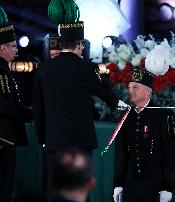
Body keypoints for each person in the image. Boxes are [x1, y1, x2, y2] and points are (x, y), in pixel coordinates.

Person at [33, 0, 127, 199]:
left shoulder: (44, 69)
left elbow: (38, 109)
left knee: (54, 188)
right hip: (80, 142)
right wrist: (120, 104)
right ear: (79, 45)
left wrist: (43, 138)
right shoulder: (86, 68)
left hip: (54, 140)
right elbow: (106, 94)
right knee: (79, 188)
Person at [113, 66, 175, 202]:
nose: (130, 90)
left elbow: (171, 154)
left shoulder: (165, 115)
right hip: (131, 187)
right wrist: (118, 183)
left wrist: (168, 186)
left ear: (148, 91)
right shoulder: (125, 116)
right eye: (130, 87)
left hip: (156, 187)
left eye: (135, 87)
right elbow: (121, 153)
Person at [0, 6, 32, 202]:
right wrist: (28, 113)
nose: (17, 50)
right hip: (3, 139)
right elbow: (4, 105)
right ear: (2, 48)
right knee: (3, 185)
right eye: (13, 46)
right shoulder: (1, 72)